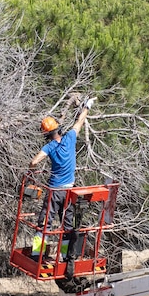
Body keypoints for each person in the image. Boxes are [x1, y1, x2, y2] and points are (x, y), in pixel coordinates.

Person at [28, 98, 94, 279]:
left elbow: (34, 162)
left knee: (44, 224)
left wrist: (31, 173)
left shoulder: (49, 147)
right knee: (67, 225)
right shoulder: (70, 139)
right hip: (69, 192)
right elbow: (80, 121)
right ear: (58, 129)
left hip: (54, 191)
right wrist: (86, 106)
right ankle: (66, 257)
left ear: (46, 134)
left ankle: (37, 255)